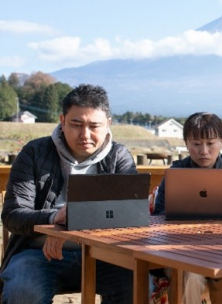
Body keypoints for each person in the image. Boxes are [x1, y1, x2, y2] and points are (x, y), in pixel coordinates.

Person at [0, 84, 137, 304]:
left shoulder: (119, 157)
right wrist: (54, 218)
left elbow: (130, 215)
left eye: (94, 126)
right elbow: (13, 215)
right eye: (76, 124)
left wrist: (64, 229)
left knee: (140, 286)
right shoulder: (34, 153)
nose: (85, 135)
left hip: (104, 253)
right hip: (38, 253)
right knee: (23, 292)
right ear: (62, 121)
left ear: (108, 125)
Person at [152, 112, 222, 304]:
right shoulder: (176, 173)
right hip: (182, 252)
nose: (204, 151)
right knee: (189, 275)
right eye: (196, 144)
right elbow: (158, 217)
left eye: (210, 143)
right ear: (186, 143)